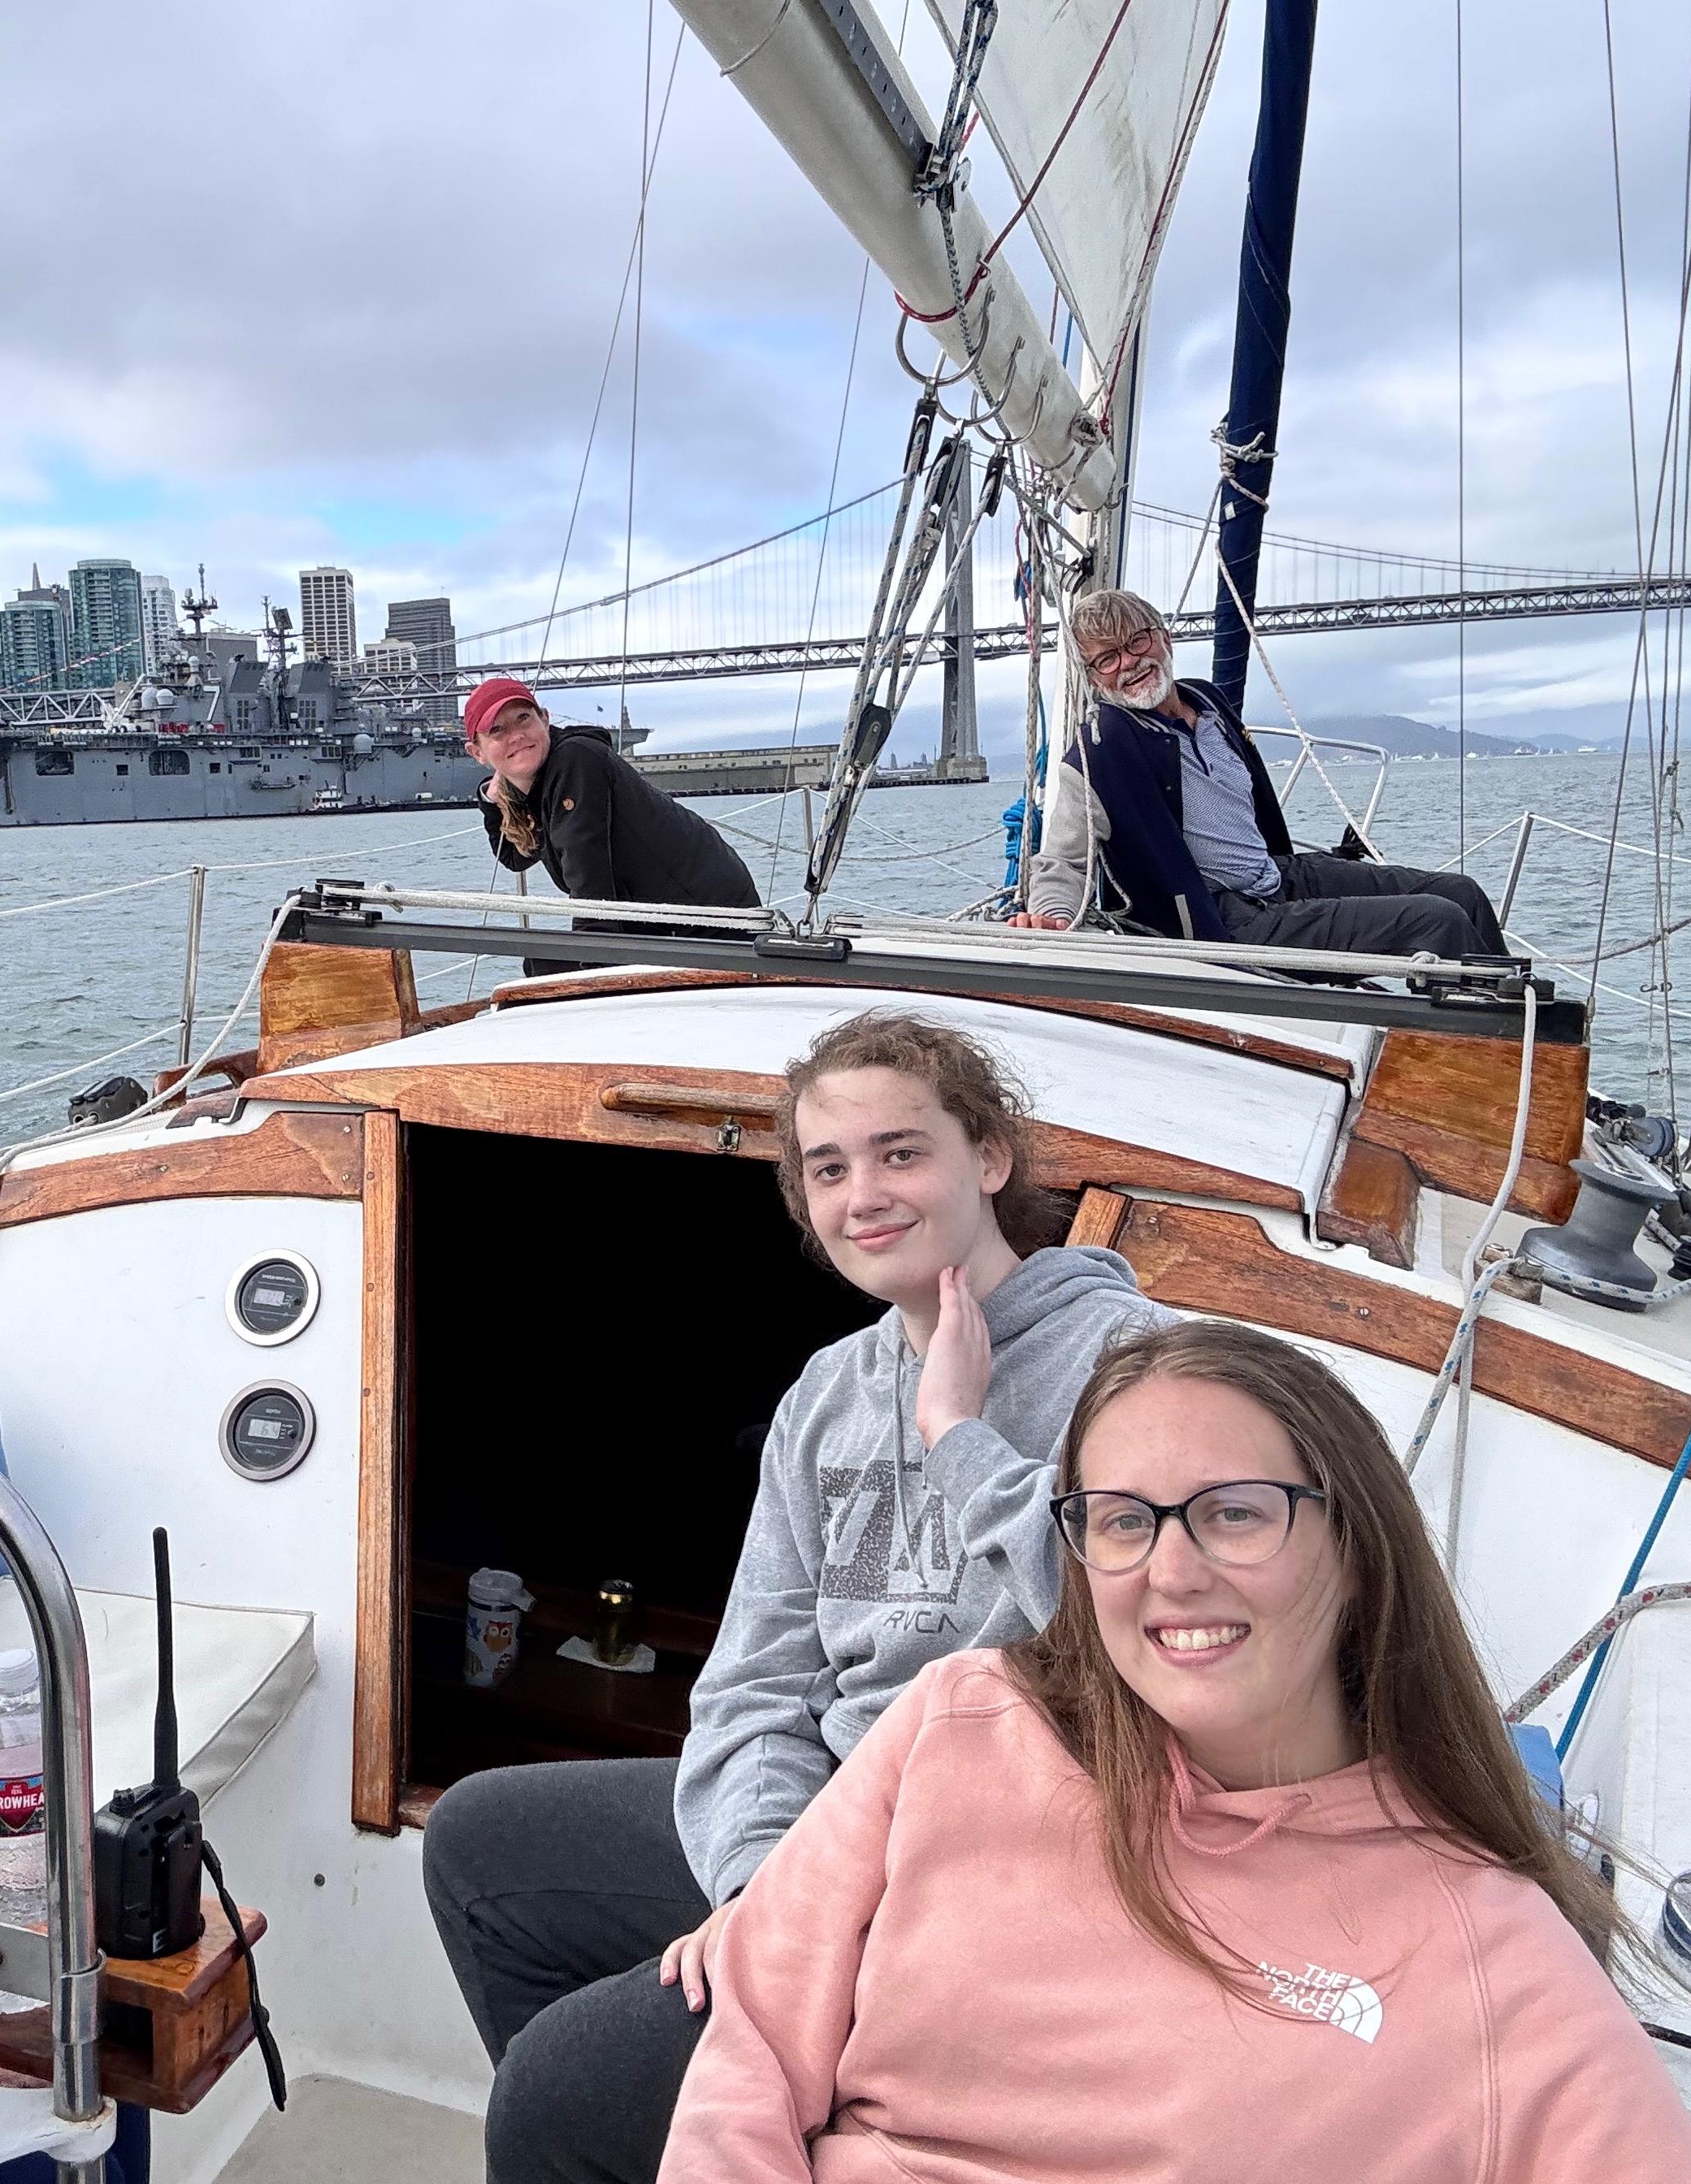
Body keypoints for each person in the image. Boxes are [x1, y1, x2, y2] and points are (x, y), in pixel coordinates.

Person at [661, 1320, 1691, 2183]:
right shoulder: (966, 1718)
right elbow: (753, 2039)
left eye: (1235, 1515)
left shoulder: (1496, 1961)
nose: (1172, 1570)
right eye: (1123, 1522)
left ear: (1355, 1547)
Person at [426, 1011, 1171, 2184]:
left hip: (997, 1867)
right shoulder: (829, 1392)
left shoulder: (1134, 1368)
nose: (863, 1193)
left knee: (554, 2091)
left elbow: (1148, 1634)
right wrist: (768, 1888)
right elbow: (757, 1681)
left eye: (900, 1152)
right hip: (827, 1832)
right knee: (481, 1848)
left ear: (989, 1159)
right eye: (829, 1169)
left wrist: (961, 1437)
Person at [1015, 587, 1508, 959]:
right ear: (1094, 677)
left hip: (1275, 877)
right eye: (1106, 659)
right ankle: (1498, 1054)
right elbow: (1063, 860)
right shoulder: (1100, 748)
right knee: (1434, 921)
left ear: (1163, 638)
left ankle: (1533, 1024)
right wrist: (1054, 918)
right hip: (1222, 918)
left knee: (1460, 892)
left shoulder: (1208, 702)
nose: (1128, 662)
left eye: (1136, 641)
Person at [466, 674, 763, 975]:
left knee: (549, 974)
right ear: (477, 752)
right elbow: (515, 857)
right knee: (539, 966)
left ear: (544, 719)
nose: (515, 735)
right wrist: (492, 803)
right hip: (658, 923)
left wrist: (597, 978)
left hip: (709, 923)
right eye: (497, 730)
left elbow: (588, 874)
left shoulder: (576, 759)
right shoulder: (538, 783)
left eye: (523, 718)